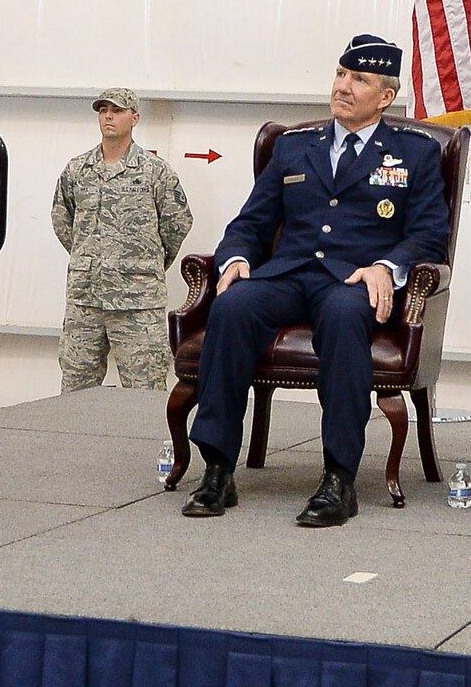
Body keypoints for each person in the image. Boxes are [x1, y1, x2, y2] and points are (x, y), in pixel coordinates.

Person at [182, 34, 449, 527]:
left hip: (353, 281)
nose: (343, 87)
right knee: (233, 306)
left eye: (359, 80)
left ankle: (338, 479)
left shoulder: (415, 153)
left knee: (346, 316)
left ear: (385, 97)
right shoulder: (294, 147)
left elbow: (430, 234)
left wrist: (387, 267)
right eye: (341, 75)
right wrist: (237, 256)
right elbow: (251, 222)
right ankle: (217, 468)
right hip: (290, 272)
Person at [52, 88, 193, 391]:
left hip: (137, 302)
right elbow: (63, 220)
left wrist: (143, 263)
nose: (108, 116)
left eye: (116, 110)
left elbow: (177, 223)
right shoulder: (77, 170)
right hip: (85, 301)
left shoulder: (155, 172)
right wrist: (90, 258)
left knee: (144, 393)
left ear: (135, 118)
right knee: (75, 392)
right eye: (103, 110)